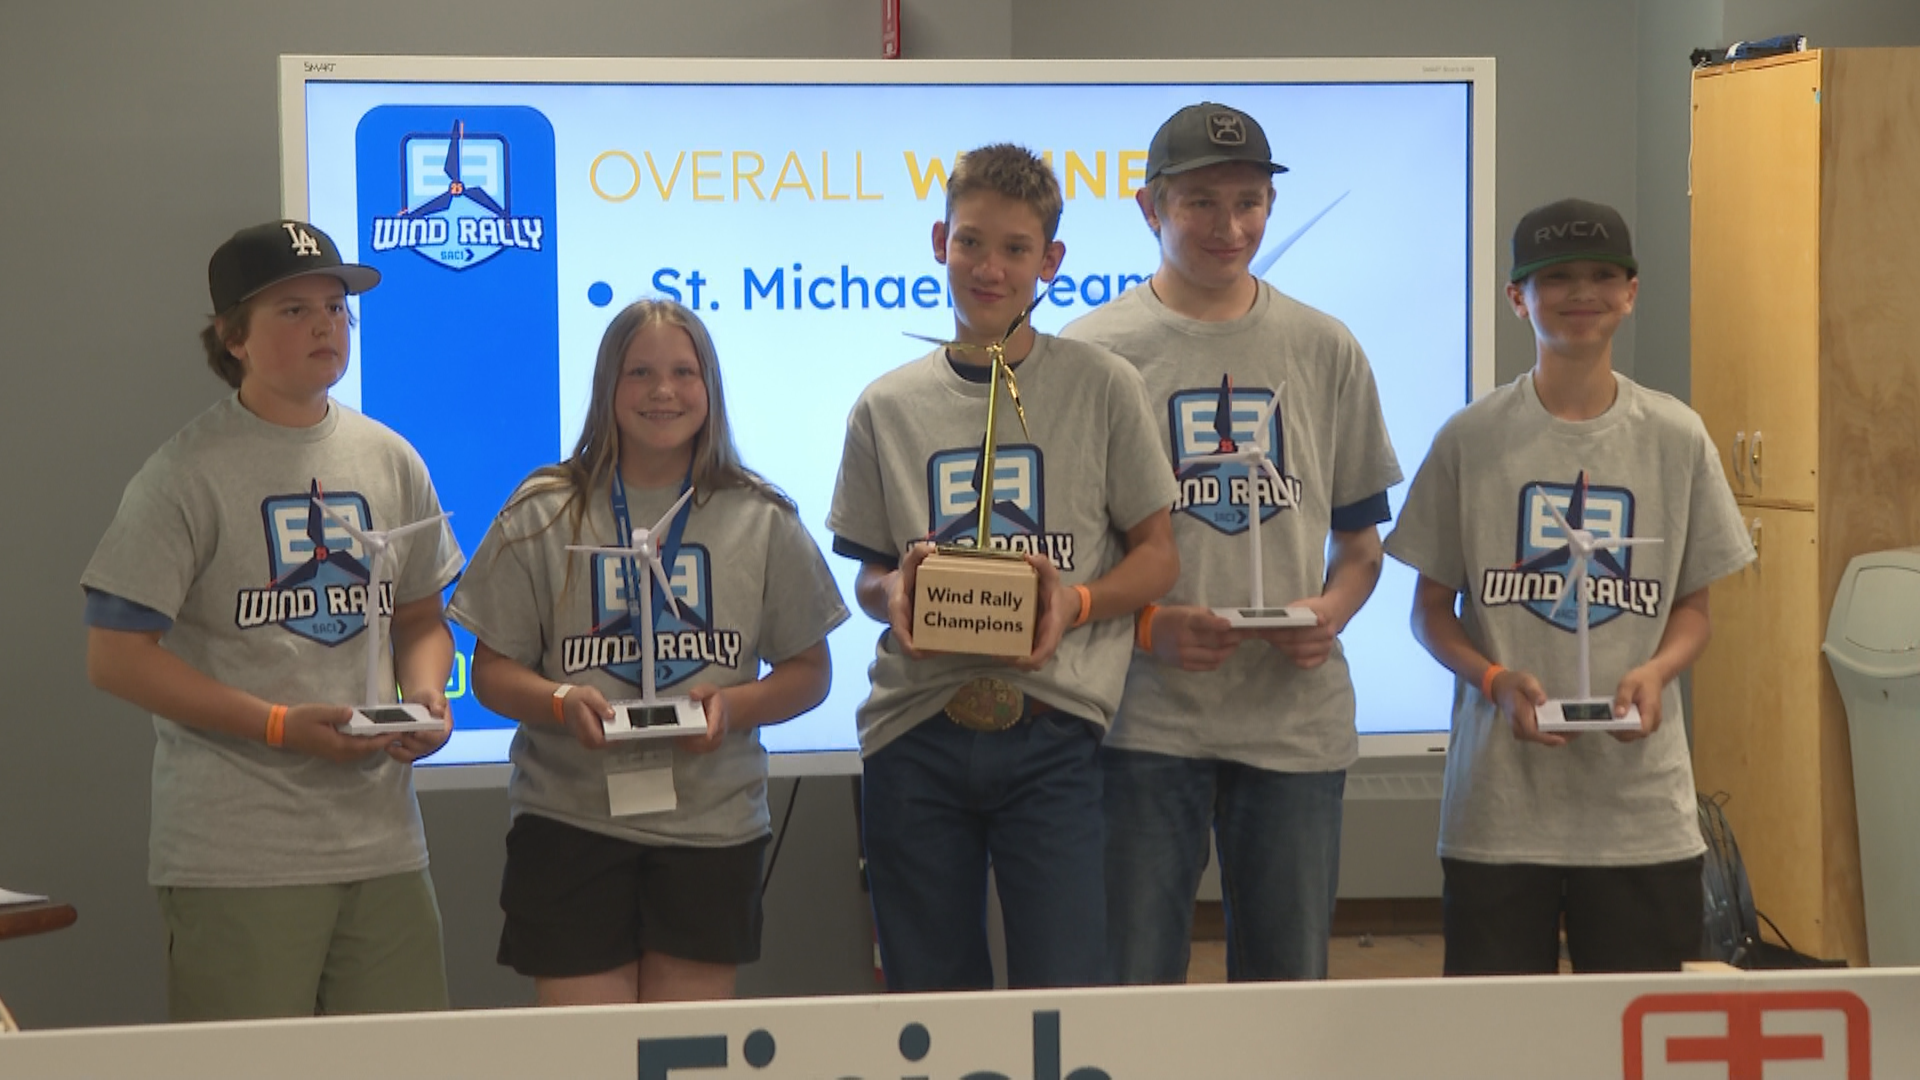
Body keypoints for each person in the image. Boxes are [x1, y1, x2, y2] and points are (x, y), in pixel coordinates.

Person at [81, 220, 463, 1020]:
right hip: (239, 855)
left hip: (385, 845)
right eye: (294, 310)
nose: (326, 325)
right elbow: (116, 656)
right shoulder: (184, 475)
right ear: (234, 338)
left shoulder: (390, 456)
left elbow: (422, 615)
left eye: (335, 307)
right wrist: (279, 725)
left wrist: (428, 696)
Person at [1062, 102, 1402, 984]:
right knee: (1131, 988)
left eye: (1249, 202)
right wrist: (1148, 628)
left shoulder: (1325, 348)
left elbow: (1360, 541)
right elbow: (1070, 566)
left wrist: (1331, 611)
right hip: (1141, 725)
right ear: (1150, 207)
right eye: (1202, 203)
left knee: (1286, 996)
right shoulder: (1093, 353)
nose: (1230, 226)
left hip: (1293, 726)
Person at [828, 143, 1180, 992]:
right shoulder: (884, 405)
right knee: (930, 1002)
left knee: (1065, 992)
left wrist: (1074, 603)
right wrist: (895, 592)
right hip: (914, 733)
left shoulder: (1103, 386)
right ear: (939, 241)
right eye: (971, 243)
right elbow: (869, 578)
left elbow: (1159, 558)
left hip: (1055, 735)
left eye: (1016, 249)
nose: (990, 268)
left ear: (1049, 261)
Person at [1383, 198, 1754, 974]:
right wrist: (1493, 679)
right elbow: (1429, 611)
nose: (1581, 292)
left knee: (1633, 1026)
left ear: (1631, 293)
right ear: (1517, 297)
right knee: (1497, 1030)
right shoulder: (1470, 439)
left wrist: (1656, 672)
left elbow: (1694, 611)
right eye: (1555, 278)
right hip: (1499, 813)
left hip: (1639, 815)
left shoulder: (1676, 437)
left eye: (1602, 275)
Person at [448, 298, 846, 1005]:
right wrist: (560, 701)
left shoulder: (761, 516)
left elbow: (810, 672)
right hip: (569, 822)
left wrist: (734, 707)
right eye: (640, 372)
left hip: (712, 827)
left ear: (710, 385)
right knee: (588, 1054)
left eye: (683, 372)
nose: (663, 391)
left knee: (683, 1052)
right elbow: (491, 671)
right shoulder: (543, 509)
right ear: (607, 385)